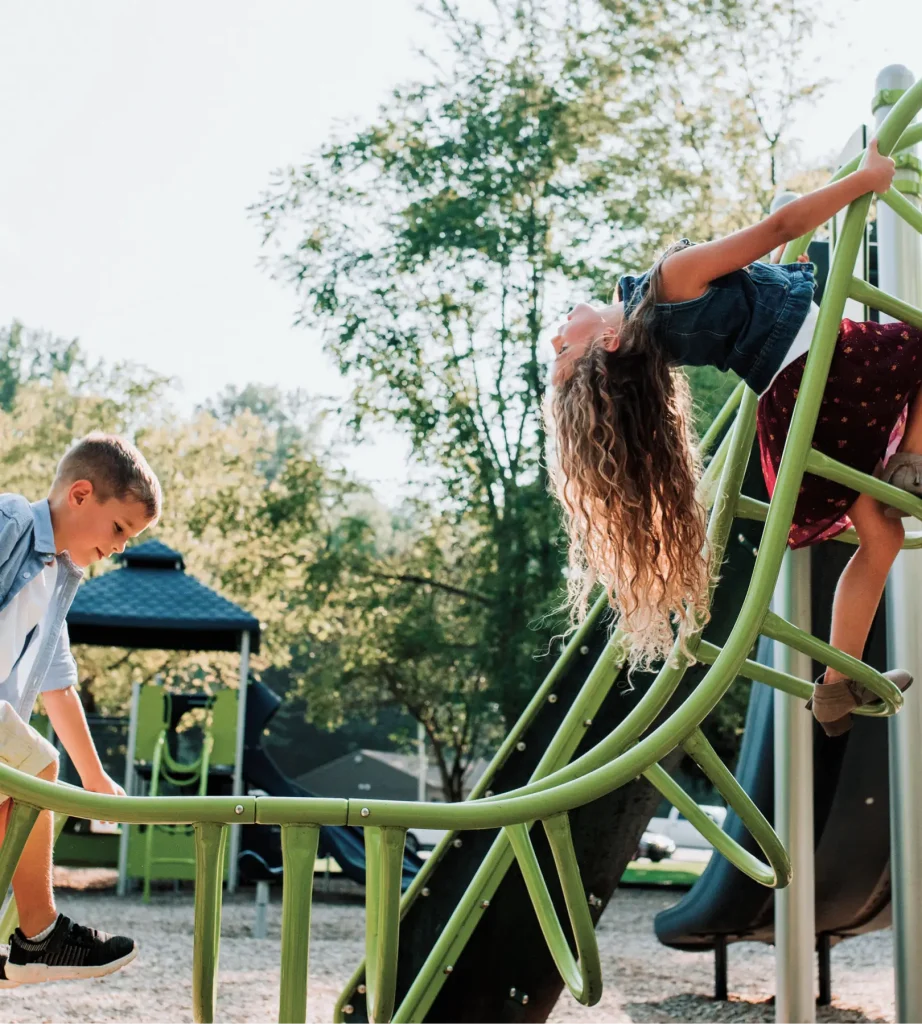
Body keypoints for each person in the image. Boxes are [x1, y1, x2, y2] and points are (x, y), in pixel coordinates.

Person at [547, 139, 917, 738]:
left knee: (880, 533)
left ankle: (835, 688)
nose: (554, 339)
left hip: (793, 409)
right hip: (825, 373)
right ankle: (913, 460)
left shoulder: (644, 324)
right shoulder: (667, 282)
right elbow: (780, 224)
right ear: (608, 345)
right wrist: (865, 181)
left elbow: (743, 284)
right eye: (565, 350)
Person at [0, 433, 161, 986]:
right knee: (36, 765)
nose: (119, 547)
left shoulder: (60, 577)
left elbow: (57, 684)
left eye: (130, 539)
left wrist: (95, 779)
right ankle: (39, 936)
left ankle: (23, 940)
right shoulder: (10, 523)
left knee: (14, 803)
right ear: (81, 495)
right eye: (118, 528)